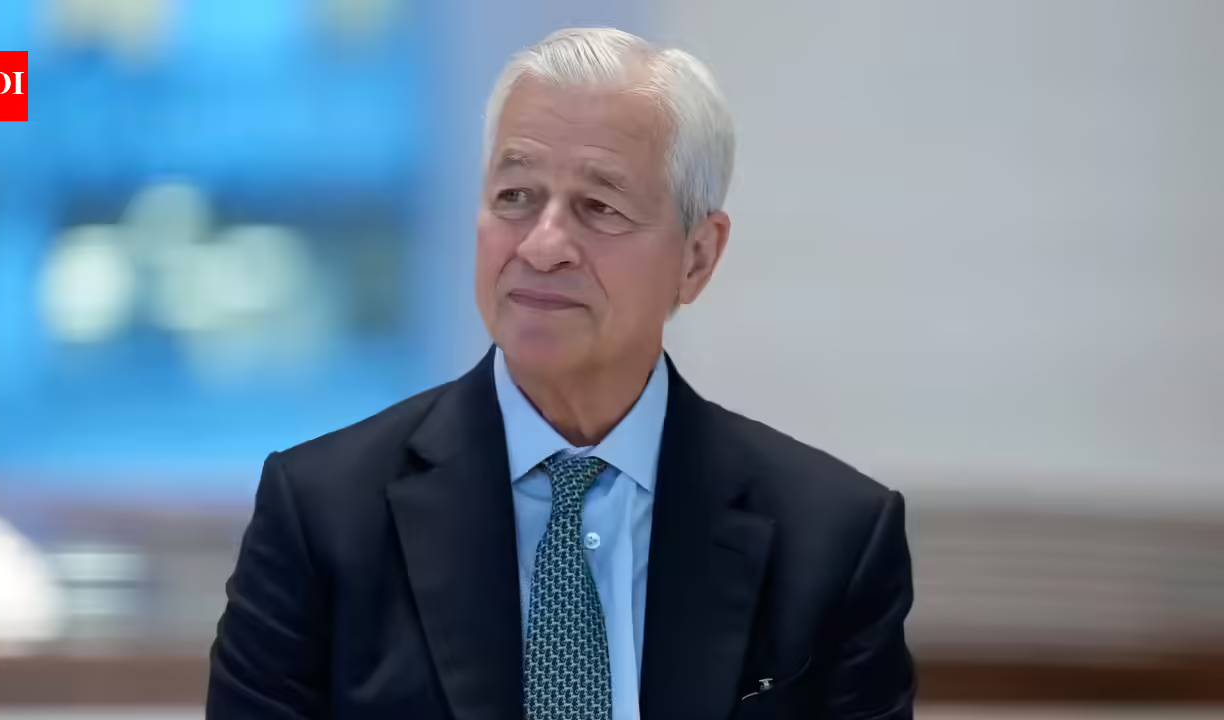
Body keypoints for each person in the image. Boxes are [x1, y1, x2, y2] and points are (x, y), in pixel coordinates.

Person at [207, 27, 916, 720]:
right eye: (515, 197)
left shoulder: (833, 539)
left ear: (697, 256)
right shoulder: (322, 516)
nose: (543, 246)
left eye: (598, 207)